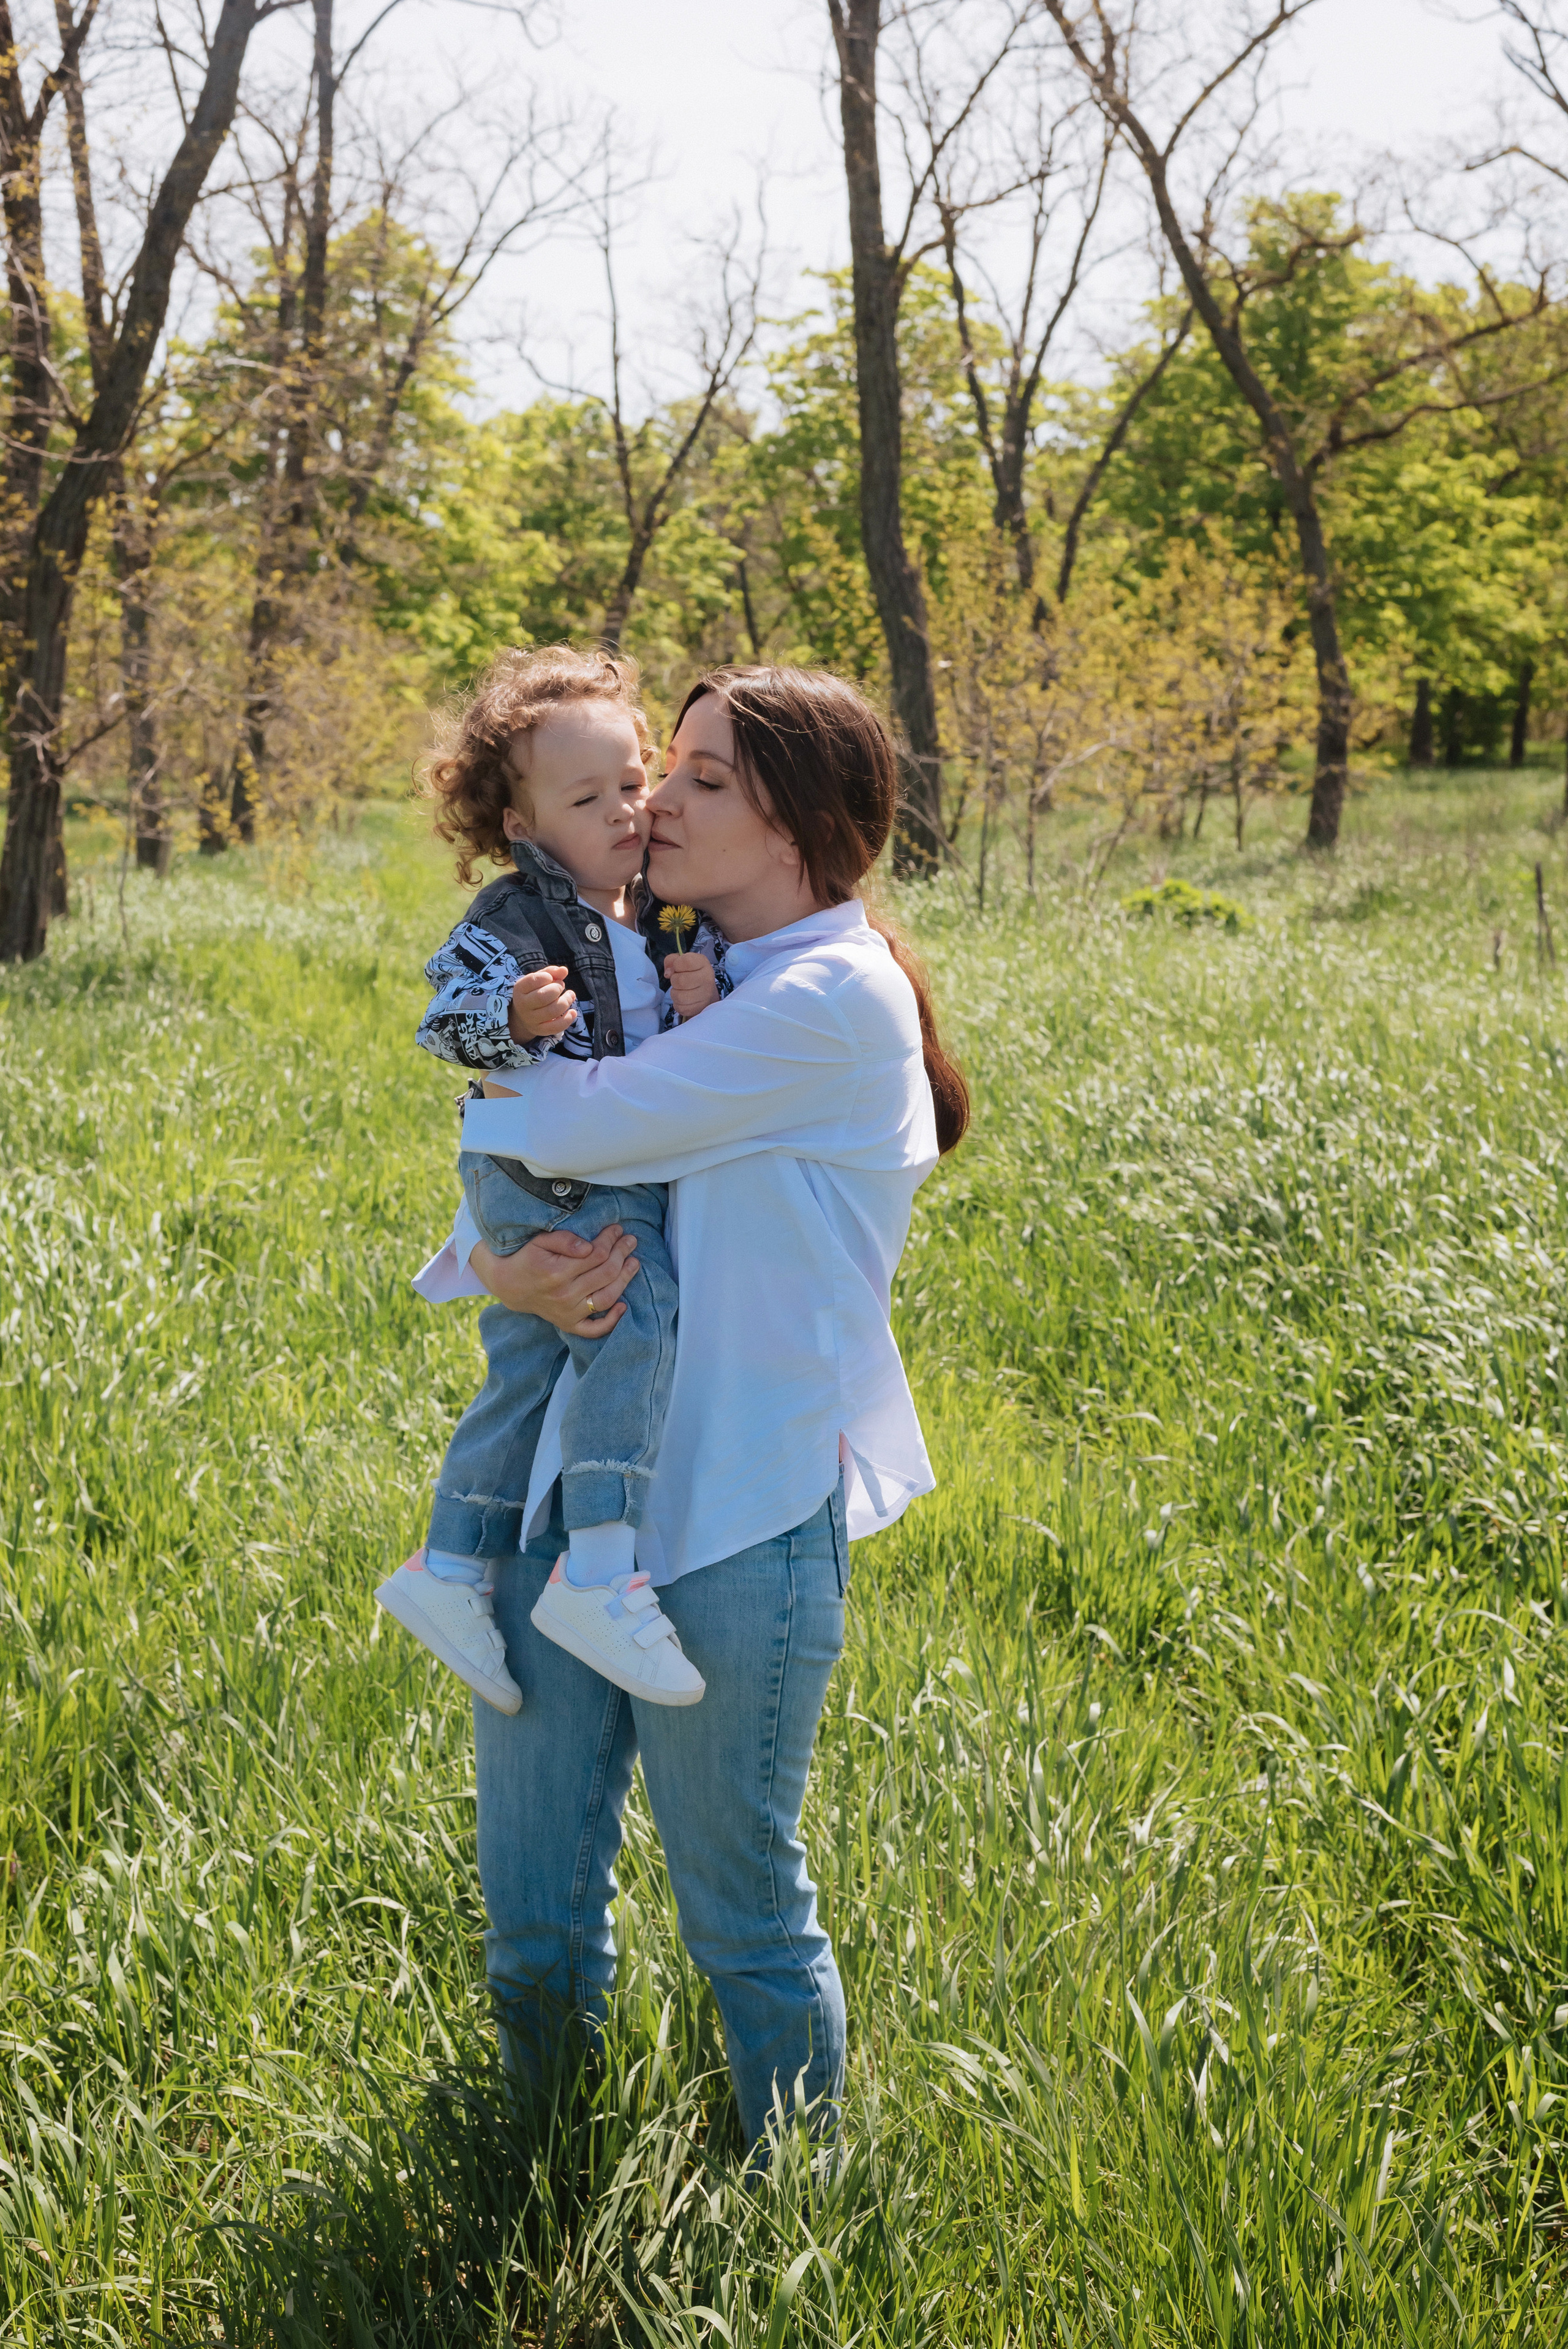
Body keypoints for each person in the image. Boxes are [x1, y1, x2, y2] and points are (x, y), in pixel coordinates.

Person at [449, 665, 970, 2154]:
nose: (655, 802)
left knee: (740, 1916)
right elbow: (532, 1179)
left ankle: (793, 2224)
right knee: (533, 1913)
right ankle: (533, 2183)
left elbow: (562, 1122)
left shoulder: (831, 997)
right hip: (571, 1500)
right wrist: (503, 1266)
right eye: (659, 771)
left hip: (738, 1513)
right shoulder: (670, 969)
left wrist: (492, 1102)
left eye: (705, 781)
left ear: (803, 827)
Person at [376, 646, 727, 1716]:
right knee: (636, 1310)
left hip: (564, 1155)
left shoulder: (655, 910)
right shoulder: (520, 916)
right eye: (589, 797)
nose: (627, 811)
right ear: (525, 825)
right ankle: (600, 1565)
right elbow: (443, 1018)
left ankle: (447, 1565)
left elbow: (673, 1053)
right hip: (548, 1163)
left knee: (526, 1365)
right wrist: (511, 1019)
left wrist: (700, 998)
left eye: (634, 781)